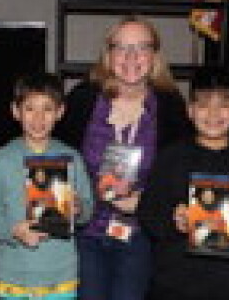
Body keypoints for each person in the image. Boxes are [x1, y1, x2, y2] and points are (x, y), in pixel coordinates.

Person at [56, 15, 191, 300]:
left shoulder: (171, 107)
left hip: (139, 236)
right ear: (109, 54)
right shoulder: (82, 100)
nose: (131, 56)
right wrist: (71, 197)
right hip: (85, 232)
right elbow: (57, 160)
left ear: (154, 55)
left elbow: (180, 177)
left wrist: (147, 200)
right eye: (122, 47)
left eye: (142, 47)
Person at [137, 68, 229, 300]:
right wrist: (174, 221)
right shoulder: (171, 157)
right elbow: (148, 214)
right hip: (176, 285)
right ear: (190, 110)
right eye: (204, 104)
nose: (213, 113)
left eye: (224, 104)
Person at [0, 73, 93, 300]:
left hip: (60, 275)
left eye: (47, 109)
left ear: (60, 112)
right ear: (15, 111)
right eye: (29, 109)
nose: (38, 118)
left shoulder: (72, 158)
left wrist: (78, 209)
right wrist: (13, 230)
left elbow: (88, 209)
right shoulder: (1, 160)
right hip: (14, 275)